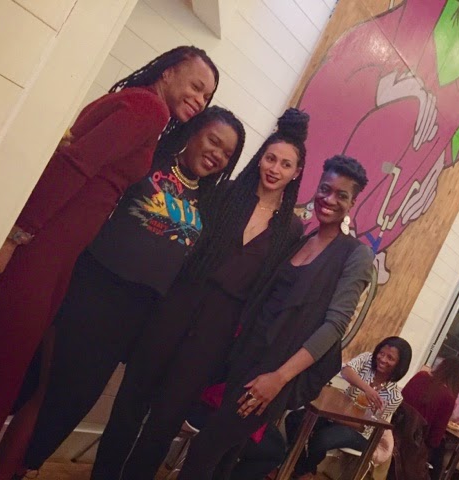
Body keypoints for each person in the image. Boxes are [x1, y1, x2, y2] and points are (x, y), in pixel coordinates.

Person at [0, 45, 219, 477]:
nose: (199, 100)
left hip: (56, 254)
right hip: (44, 248)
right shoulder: (148, 109)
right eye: (196, 86)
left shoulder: (142, 107)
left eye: (207, 96)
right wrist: (17, 235)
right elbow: (73, 165)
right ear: (169, 71)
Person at [90, 108, 310, 480]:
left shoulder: (291, 229)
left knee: (167, 418)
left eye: (285, 164)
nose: (275, 169)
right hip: (177, 303)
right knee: (131, 399)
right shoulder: (225, 194)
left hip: (218, 329)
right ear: (260, 159)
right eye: (270, 158)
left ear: (296, 172)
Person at [173, 155, 374, 480]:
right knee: (226, 456)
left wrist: (279, 378)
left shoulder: (355, 254)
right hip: (245, 358)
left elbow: (334, 326)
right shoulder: (302, 239)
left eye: (341, 195)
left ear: (352, 202)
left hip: (276, 372)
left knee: (205, 449)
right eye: (325, 189)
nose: (329, 199)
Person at [285, 337, 411, 479]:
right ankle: (304, 470)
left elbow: (364, 427)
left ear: (400, 365)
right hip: (334, 415)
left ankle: (301, 472)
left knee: (322, 439)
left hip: (358, 433)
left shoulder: (394, 396)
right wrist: (367, 389)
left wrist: (335, 417)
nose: (382, 359)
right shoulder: (367, 359)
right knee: (294, 419)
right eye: (381, 353)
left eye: (390, 358)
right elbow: (346, 371)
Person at [400, 357, 459, 479]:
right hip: (413, 444)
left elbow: (401, 399)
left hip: (397, 429)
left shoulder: (420, 376)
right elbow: (434, 439)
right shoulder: (448, 398)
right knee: (438, 458)